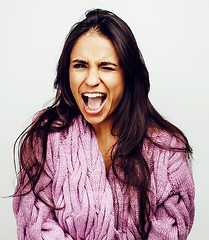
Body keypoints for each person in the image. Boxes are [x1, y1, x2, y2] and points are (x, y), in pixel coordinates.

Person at [13, 9, 195, 240]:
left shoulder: (168, 154)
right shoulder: (44, 139)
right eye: (80, 65)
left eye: (106, 67)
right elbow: (35, 225)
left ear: (127, 75)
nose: (90, 80)